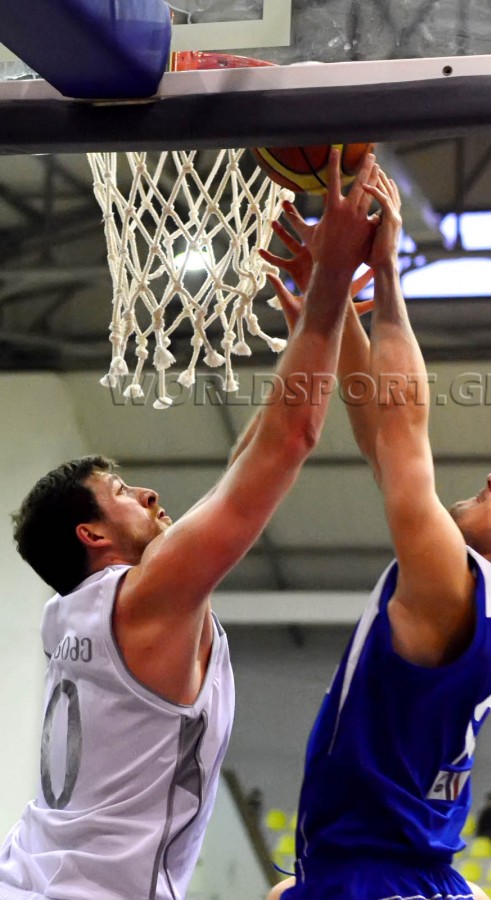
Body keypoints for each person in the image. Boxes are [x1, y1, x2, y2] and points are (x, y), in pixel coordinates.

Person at [0, 150, 381, 900]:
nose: (147, 493)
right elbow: (288, 441)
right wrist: (330, 283)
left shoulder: (68, 615)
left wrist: (318, 327)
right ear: (91, 535)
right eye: (119, 492)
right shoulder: (144, 600)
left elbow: (246, 463)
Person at [260, 169, 491, 899]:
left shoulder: (452, 586)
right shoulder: (483, 599)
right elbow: (381, 437)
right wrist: (333, 303)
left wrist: (383, 274)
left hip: (381, 878)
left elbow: (401, 432)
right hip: (404, 871)